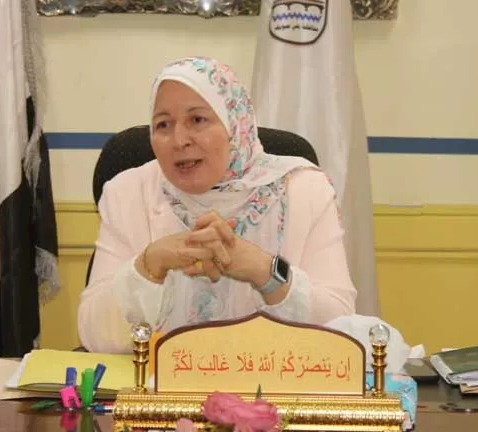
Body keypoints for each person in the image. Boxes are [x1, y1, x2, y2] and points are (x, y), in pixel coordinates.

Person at [78, 56, 356, 353]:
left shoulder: (304, 190)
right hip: (157, 380)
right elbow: (94, 338)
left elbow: (340, 330)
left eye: (197, 120)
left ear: (235, 124)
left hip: (272, 379)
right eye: (163, 124)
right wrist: (149, 265)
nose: (179, 140)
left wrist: (263, 270)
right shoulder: (127, 193)